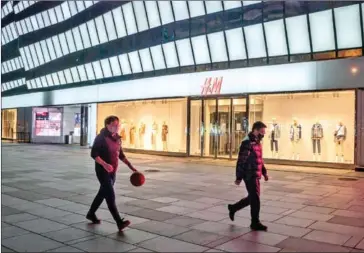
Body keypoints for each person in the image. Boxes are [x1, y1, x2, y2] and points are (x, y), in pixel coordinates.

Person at [87, 115, 137, 232]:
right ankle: (119, 222)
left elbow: (121, 155)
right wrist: (104, 164)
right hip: (102, 171)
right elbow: (94, 154)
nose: (117, 127)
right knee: (110, 195)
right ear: (107, 125)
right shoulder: (101, 138)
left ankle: (91, 213)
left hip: (112, 172)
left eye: (118, 125)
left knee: (102, 193)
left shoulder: (118, 138)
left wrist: (131, 166)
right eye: (114, 125)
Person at [228, 121, 269, 231]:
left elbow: (259, 159)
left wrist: (264, 172)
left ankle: (233, 208)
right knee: (255, 199)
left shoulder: (257, 142)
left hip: (255, 174)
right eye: (262, 132)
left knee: (253, 197)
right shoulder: (247, 143)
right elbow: (241, 161)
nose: (263, 134)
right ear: (255, 130)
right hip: (249, 174)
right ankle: (255, 222)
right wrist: (238, 177)